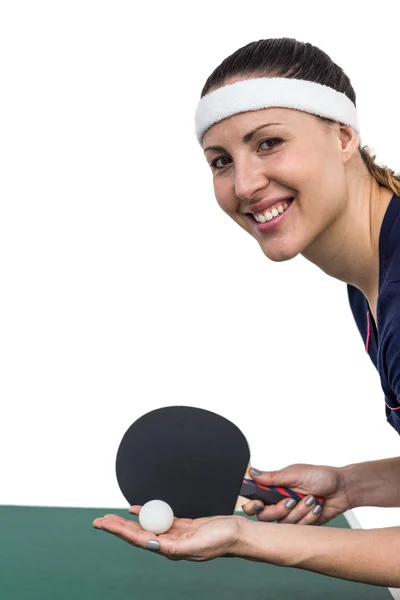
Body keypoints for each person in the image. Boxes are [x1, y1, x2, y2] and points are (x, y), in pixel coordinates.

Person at [93, 38, 400, 587]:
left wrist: (245, 536)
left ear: (344, 135)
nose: (244, 184)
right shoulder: (371, 279)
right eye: (221, 161)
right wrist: (353, 486)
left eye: (269, 143)